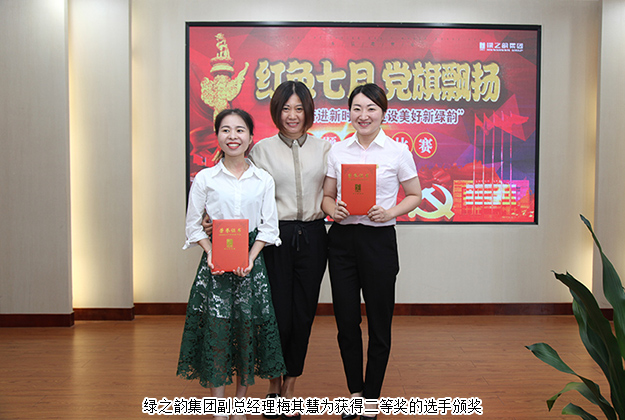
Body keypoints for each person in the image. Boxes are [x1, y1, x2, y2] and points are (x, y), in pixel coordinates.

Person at [203, 81, 330, 420]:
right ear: (276, 112)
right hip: (275, 238)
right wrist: (211, 220)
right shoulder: (260, 150)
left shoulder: (325, 149)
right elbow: (239, 193)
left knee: (303, 316)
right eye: (286, 108)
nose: (292, 115)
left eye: (299, 108)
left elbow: (333, 192)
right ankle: (273, 385)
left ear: (308, 112)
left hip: (314, 236)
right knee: (277, 316)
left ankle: (289, 390)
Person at [321, 83, 422, 420]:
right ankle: (355, 395)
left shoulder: (398, 152)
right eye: (357, 108)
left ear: (383, 113)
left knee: (380, 323)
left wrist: (390, 212)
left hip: (379, 242)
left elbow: (415, 195)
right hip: (342, 243)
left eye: (371, 109)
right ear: (349, 112)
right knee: (346, 322)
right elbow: (326, 197)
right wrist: (333, 210)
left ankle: (372, 400)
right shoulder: (337, 151)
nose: (363, 115)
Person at [178, 108, 286, 420]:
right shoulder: (205, 179)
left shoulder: (263, 179)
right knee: (218, 331)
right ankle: (219, 407)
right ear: (217, 136)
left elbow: (269, 228)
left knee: (246, 332)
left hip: (250, 266)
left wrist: (250, 258)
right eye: (226, 130)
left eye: (240, 130)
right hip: (215, 267)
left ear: (251, 137)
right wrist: (211, 252)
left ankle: (240, 404)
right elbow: (193, 227)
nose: (233, 136)